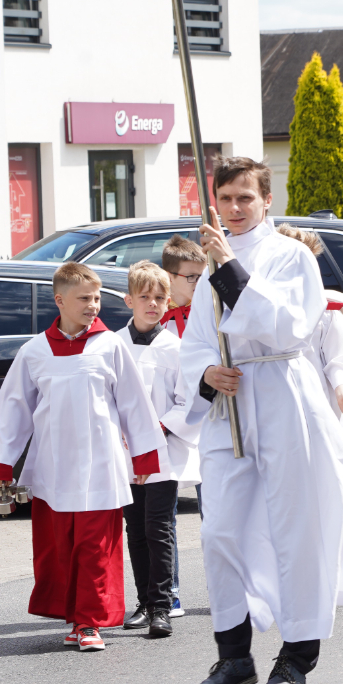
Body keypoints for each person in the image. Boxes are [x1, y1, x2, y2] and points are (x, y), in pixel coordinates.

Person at [182, 156, 343, 684]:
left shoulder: (291, 256)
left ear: (266, 201)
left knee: (294, 525)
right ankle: (234, 656)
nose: (235, 209)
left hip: (284, 393)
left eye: (245, 199)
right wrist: (206, 371)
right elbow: (197, 339)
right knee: (220, 532)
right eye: (226, 199)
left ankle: (298, 656)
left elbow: (287, 323)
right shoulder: (210, 264)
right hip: (229, 406)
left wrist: (231, 265)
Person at [0, 262, 164, 652]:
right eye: (84, 298)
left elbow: (135, 404)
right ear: (60, 300)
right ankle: (72, 614)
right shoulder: (34, 351)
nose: (93, 305)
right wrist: (3, 465)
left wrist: (145, 458)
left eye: (97, 298)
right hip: (52, 465)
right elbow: (13, 407)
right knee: (60, 546)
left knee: (96, 545)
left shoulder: (110, 345)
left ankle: (89, 622)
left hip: (101, 464)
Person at [277, 223, 343, 602]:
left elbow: (341, 359)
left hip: (320, 412)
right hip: (277, 412)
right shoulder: (257, 306)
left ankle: (339, 575)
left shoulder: (326, 309)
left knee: (332, 492)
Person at [118, 261, 201, 638]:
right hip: (124, 451)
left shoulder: (175, 348)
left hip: (162, 451)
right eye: (144, 297)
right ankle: (144, 601)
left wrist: (156, 430)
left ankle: (164, 605)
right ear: (129, 300)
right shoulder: (113, 346)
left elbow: (189, 401)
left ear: (168, 302)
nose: (152, 304)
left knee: (159, 527)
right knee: (134, 528)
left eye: (159, 298)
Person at [159, 232, 208, 618]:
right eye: (190, 277)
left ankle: (226, 588)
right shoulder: (157, 323)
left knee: (218, 513)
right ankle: (169, 591)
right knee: (164, 515)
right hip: (170, 430)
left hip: (211, 424)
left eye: (201, 275)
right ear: (169, 276)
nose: (198, 283)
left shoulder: (213, 313)